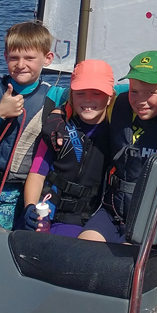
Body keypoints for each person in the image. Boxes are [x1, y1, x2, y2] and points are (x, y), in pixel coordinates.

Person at [0, 21, 67, 230]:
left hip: (22, 192)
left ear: (48, 58)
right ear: (5, 57)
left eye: (29, 58)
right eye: (14, 58)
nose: (21, 64)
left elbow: (92, 93)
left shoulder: (55, 96)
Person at [79, 50, 157, 244]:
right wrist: (57, 113)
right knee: (83, 250)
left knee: (122, 262)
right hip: (112, 211)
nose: (141, 100)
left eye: (151, 92)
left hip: (149, 217)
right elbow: (74, 97)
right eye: (134, 91)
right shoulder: (118, 103)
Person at [20, 59, 116, 236]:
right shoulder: (57, 130)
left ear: (110, 96)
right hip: (55, 215)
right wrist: (31, 208)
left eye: (96, 93)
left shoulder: (117, 133)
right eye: (80, 93)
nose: (88, 100)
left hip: (95, 219)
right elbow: (37, 174)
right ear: (71, 95)